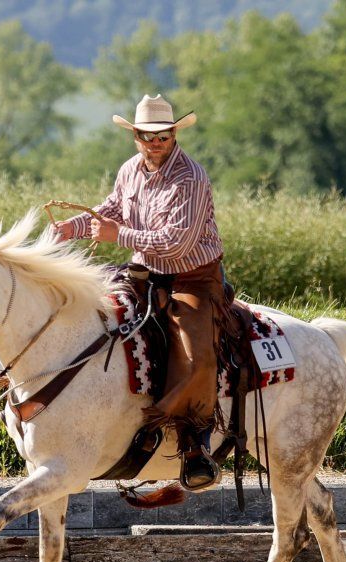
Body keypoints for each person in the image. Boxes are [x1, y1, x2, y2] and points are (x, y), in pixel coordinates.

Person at [53, 94, 226, 491]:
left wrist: (119, 236)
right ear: (135, 136)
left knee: (194, 353)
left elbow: (177, 243)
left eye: (162, 136)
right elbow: (110, 209)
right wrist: (72, 228)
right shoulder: (130, 169)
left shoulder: (192, 178)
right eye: (147, 137)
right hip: (145, 273)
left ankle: (195, 443)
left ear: (173, 134)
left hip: (192, 277)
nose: (155, 144)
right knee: (98, 319)